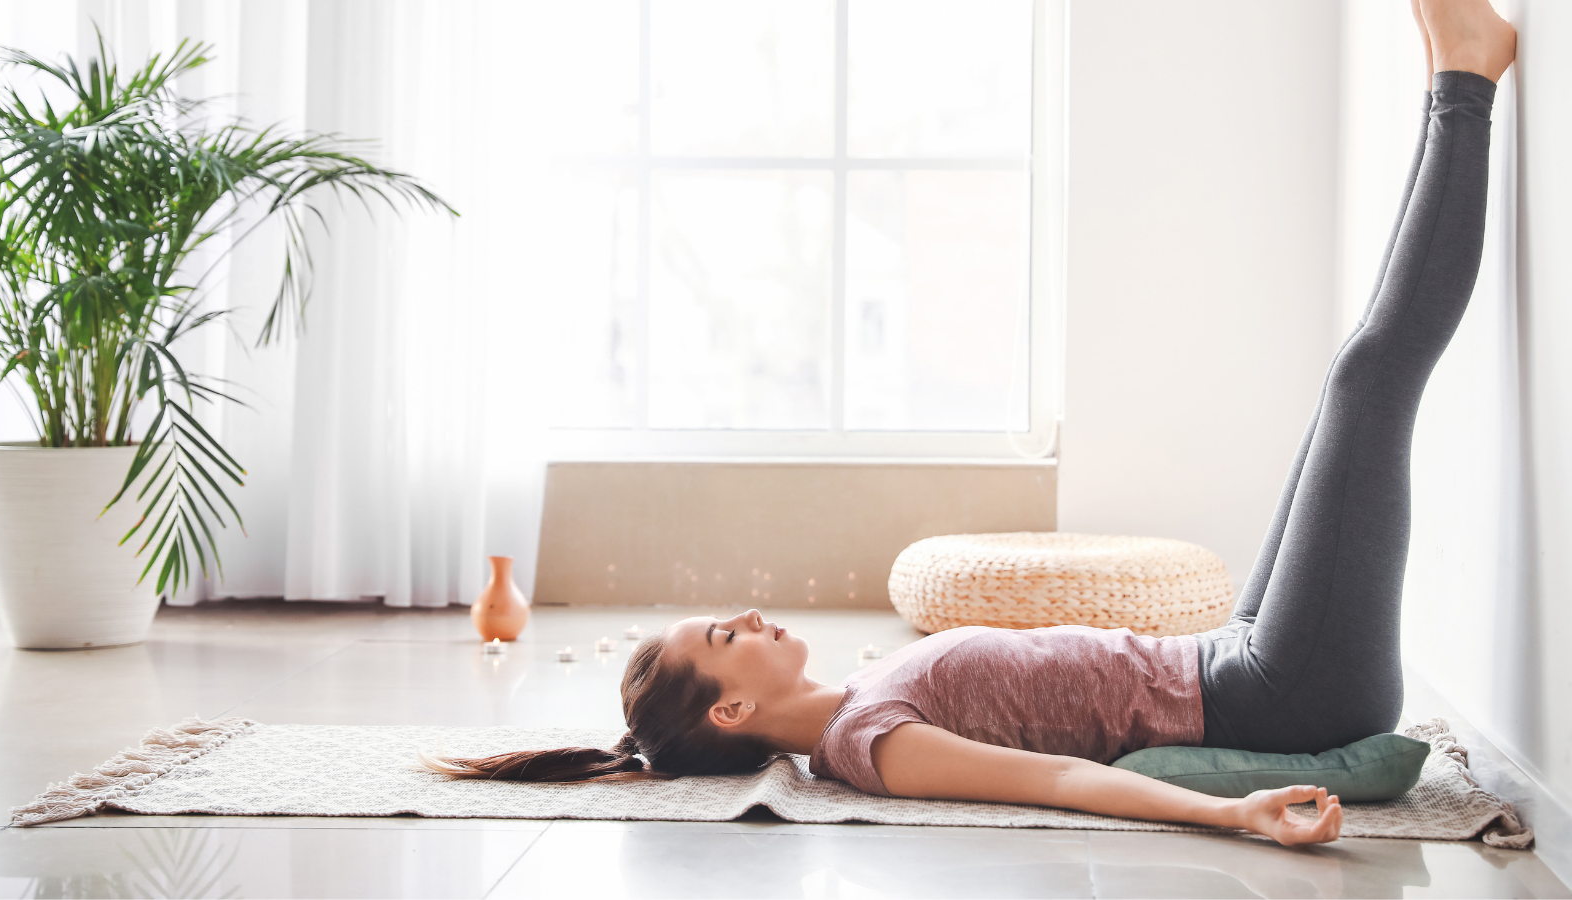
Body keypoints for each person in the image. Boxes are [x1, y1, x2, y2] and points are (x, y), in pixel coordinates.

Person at [423, 0, 1516, 847]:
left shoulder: (862, 696)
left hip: (1231, 654)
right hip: (1279, 692)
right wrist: (1233, 816)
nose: (746, 615)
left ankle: (1451, 78)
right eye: (724, 638)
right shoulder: (870, 744)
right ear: (732, 711)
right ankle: (1465, 77)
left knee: (1345, 382)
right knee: (1374, 380)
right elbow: (1054, 782)